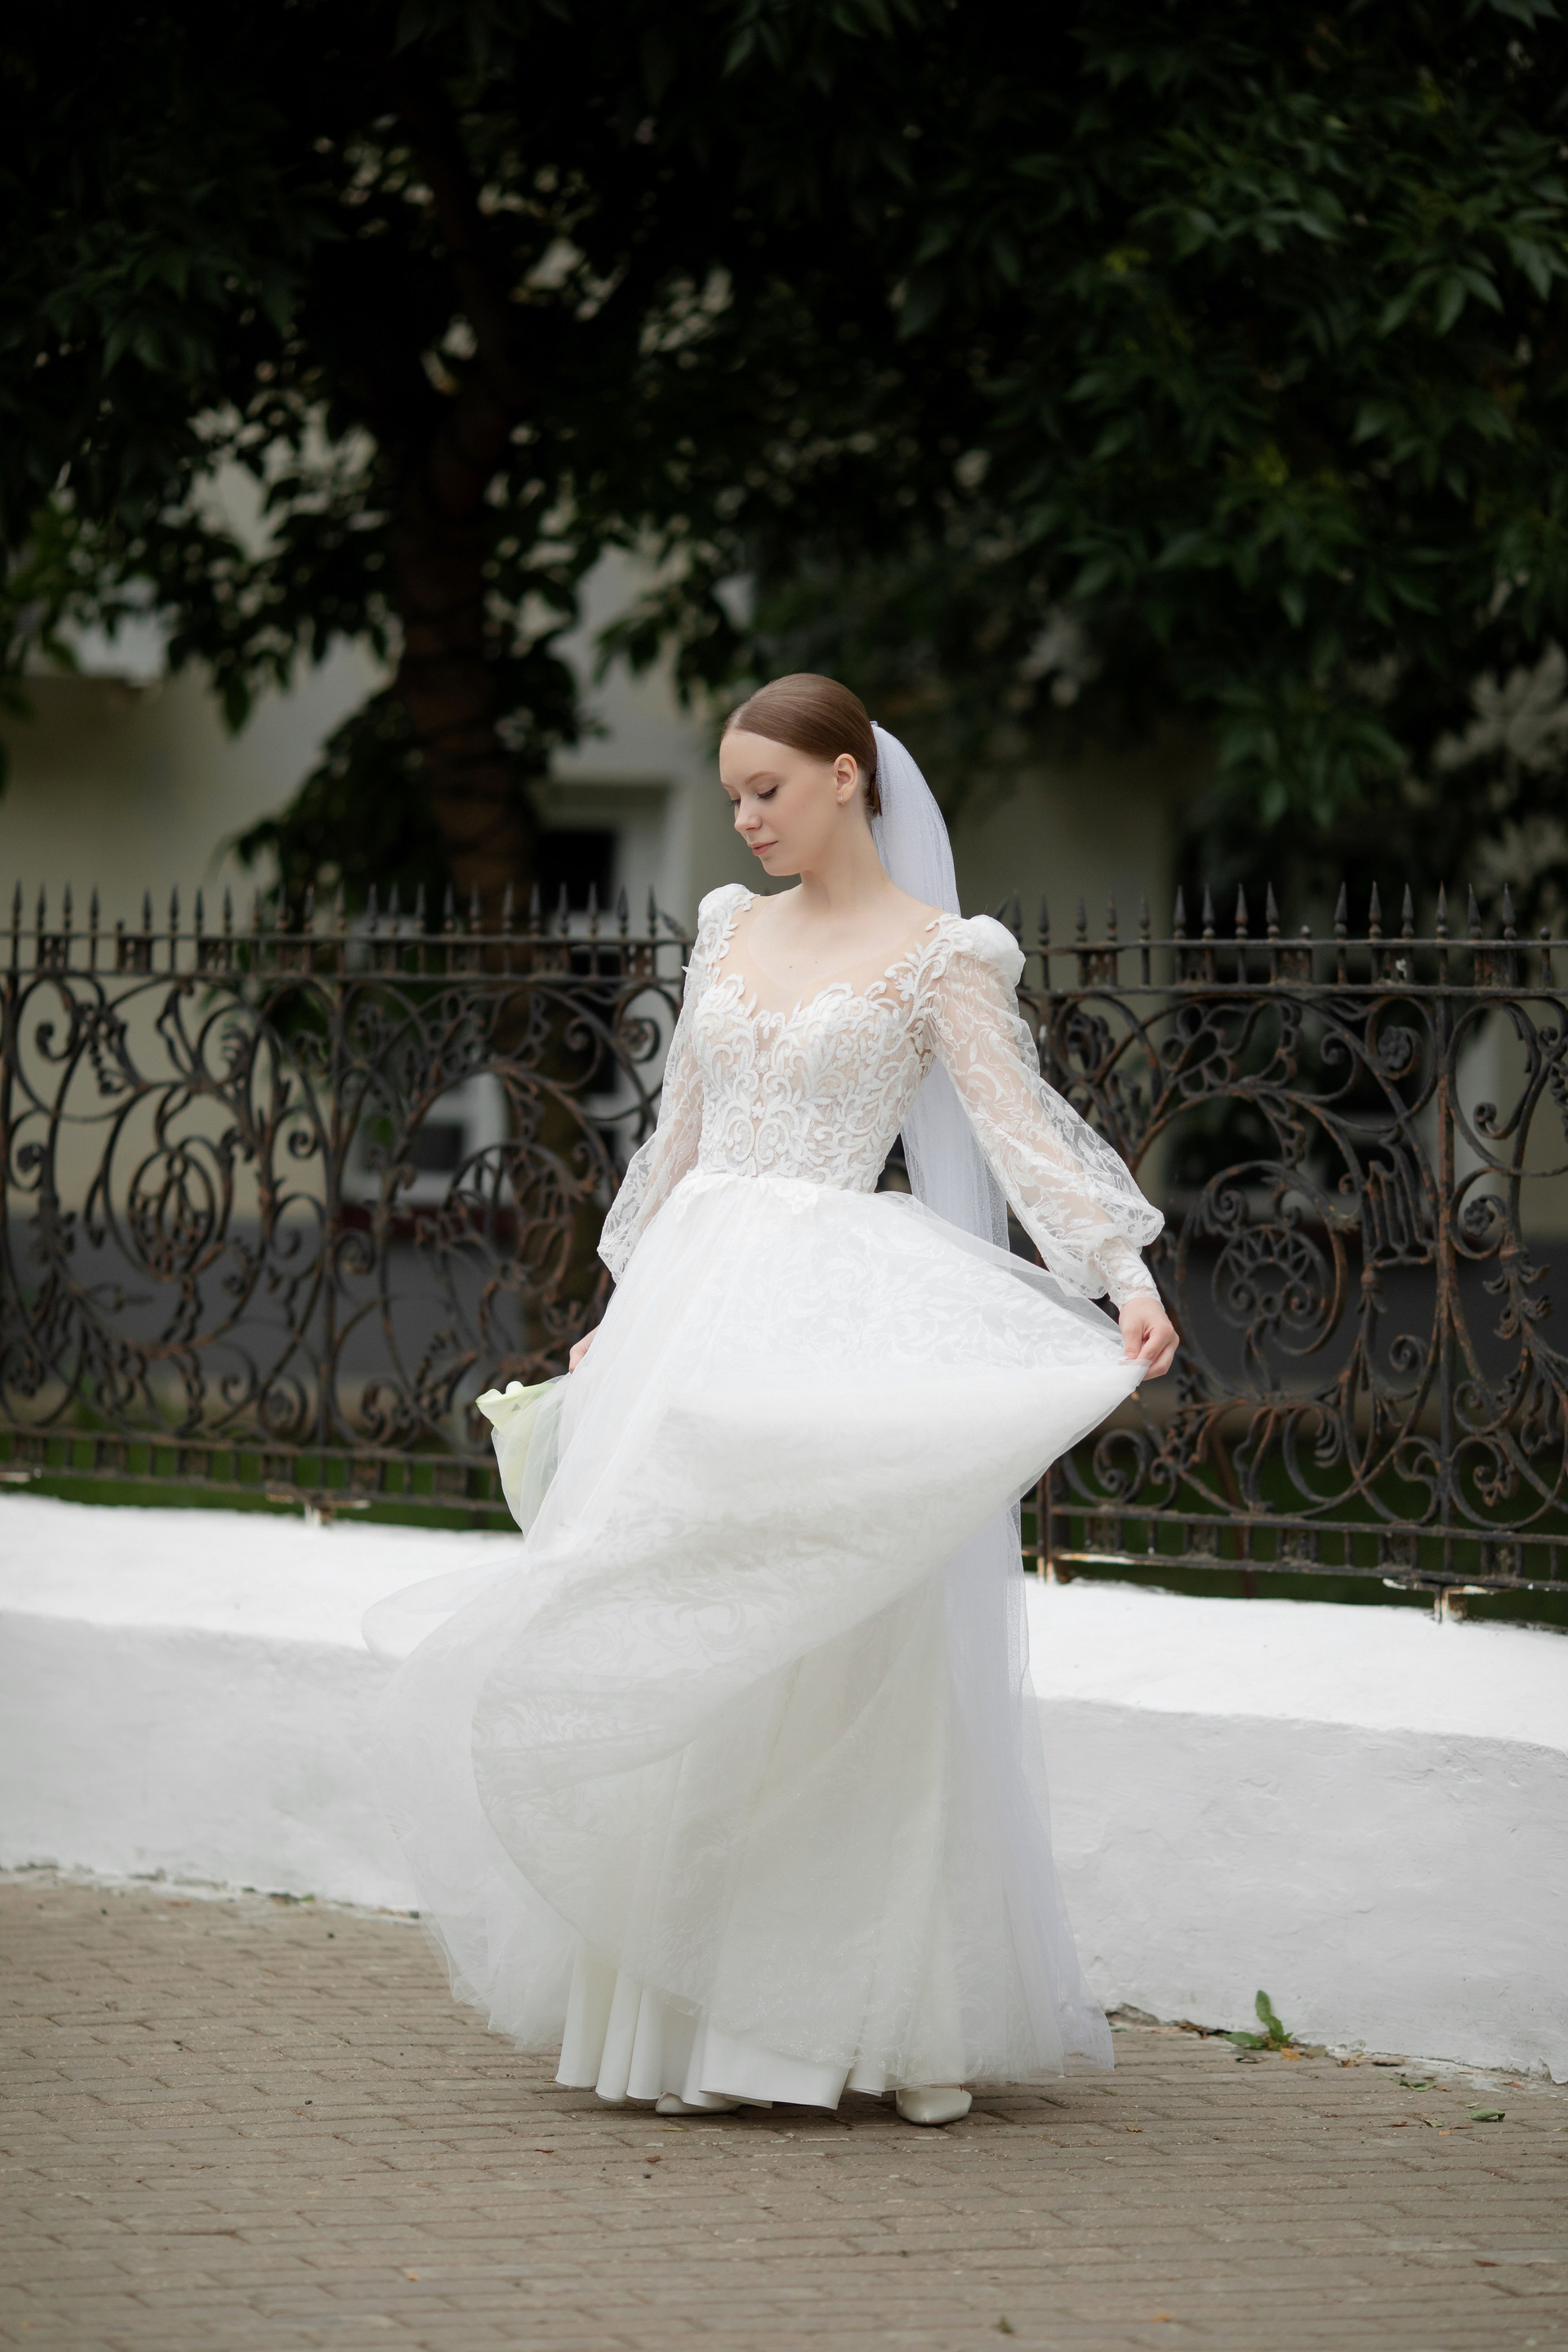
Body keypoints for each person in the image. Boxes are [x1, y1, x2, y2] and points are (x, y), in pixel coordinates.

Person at [366, 675, 1178, 2127]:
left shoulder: (945, 958)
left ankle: (873, 2027)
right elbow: (676, 1133)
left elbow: (1018, 1129)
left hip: (830, 1309)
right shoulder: (730, 931)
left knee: (844, 1646)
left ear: (848, 776)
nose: (743, 819)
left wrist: (1122, 1273)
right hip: (694, 1308)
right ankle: (679, 2025)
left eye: (767, 790)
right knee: (689, 1635)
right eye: (734, 793)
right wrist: (617, 1314)